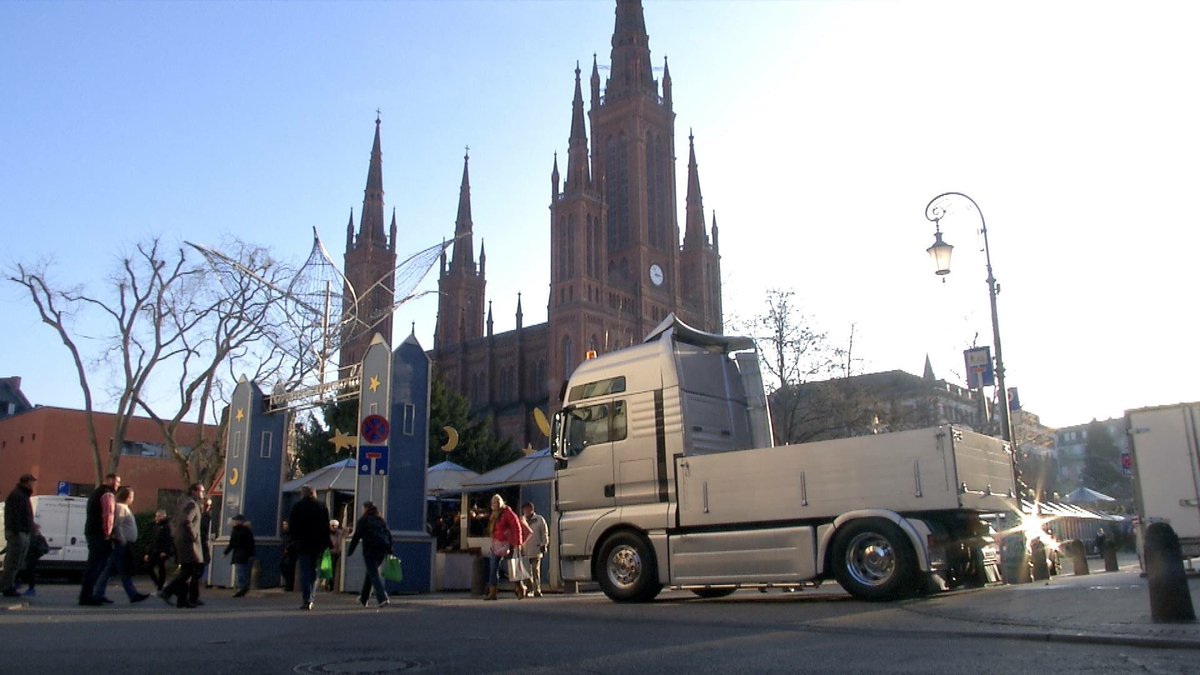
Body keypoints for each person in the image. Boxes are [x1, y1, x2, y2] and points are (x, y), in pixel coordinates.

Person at [94, 486, 150, 603]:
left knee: (112, 569)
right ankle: (132, 594)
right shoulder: (121, 507)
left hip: (123, 543)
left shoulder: (124, 508)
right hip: (121, 544)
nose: (133, 499)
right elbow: (117, 524)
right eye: (132, 496)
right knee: (122, 569)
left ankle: (99, 593)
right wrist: (122, 539)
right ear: (127, 497)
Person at [159, 483, 204, 609]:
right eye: (201, 491)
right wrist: (194, 535)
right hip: (189, 543)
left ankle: (182, 600)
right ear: (194, 491)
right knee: (189, 570)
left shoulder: (183, 502)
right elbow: (187, 521)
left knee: (186, 569)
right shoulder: (192, 504)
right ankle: (167, 591)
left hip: (182, 541)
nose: (202, 493)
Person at [79, 473, 120, 606]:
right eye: (117, 481)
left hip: (92, 531)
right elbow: (108, 515)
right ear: (109, 480)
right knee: (96, 566)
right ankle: (87, 596)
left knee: (95, 565)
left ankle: (89, 594)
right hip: (99, 534)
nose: (118, 484)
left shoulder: (96, 493)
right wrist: (108, 534)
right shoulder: (107, 494)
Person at [288, 485, 331, 610]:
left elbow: (292, 527)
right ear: (314, 493)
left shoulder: (297, 507)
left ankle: (307, 598)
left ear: (303, 494)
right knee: (314, 571)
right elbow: (326, 527)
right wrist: (326, 543)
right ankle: (311, 596)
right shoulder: (322, 506)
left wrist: (293, 541)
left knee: (305, 571)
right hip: (318, 545)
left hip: (303, 544)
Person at [346, 501, 392, 608]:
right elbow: (388, 534)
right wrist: (390, 549)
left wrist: (350, 551)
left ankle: (382, 598)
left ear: (365, 509)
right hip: (382, 550)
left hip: (370, 550)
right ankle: (364, 598)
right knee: (370, 573)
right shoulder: (380, 520)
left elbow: (356, 537)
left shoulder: (363, 520)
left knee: (374, 574)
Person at [484, 494, 524, 601]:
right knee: (493, 568)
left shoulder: (507, 512)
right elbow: (493, 531)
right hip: (497, 544)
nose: (495, 504)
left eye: (497, 502)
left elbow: (516, 527)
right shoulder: (493, 515)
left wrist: (518, 543)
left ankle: (519, 587)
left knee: (513, 567)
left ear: (501, 502)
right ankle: (492, 592)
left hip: (508, 544)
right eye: (493, 502)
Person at [2, 473, 36, 597]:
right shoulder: (18, 495)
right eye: (32, 482)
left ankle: (8, 584)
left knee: (16, 561)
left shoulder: (22, 495)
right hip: (18, 532)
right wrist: (16, 531)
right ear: (26, 482)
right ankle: (7, 586)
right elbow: (14, 515)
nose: (33, 484)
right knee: (13, 561)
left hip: (22, 531)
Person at [187, 496, 213, 606]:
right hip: (197, 546)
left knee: (197, 573)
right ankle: (190, 596)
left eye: (210, 506)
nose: (208, 508)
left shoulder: (207, 517)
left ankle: (193, 596)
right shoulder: (198, 517)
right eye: (206, 505)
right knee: (194, 573)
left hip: (202, 546)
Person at [222, 514, 256, 597]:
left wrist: (225, 553)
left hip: (241, 554)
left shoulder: (239, 531)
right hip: (243, 554)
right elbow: (250, 543)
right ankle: (243, 587)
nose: (234, 521)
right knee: (242, 571)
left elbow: (232, 544)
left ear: (240, 521)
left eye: (236, 520)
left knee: (241, 572)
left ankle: (242, 587)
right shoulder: (245, 530)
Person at [521, 501, 549, 597]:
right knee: (526, 571)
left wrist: (544, 544)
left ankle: (537, 589)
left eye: (528, 509)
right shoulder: (522, 520)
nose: (526, 511)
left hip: (536, 548)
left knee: (535, 570)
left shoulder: (539, 519)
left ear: (532, 509)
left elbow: (544, 533)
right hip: (525, 549)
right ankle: (529, 589)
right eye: (524, 510)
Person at [143, 510, 174, 591]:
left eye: (158, 516)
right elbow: (152, 540)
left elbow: (168, 540)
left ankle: (160, 588)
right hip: (154, 551)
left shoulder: (167, 527)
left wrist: (165, 551)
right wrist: (147, 553)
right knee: (148, 567)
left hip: (162, 551)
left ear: (163, 517)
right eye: (156, 516)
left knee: (161, 568)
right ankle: (158, 583)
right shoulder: (156, 526)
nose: (156, 518)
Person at [18, 523, 50, 597]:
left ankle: (30, 589)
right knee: (27, 571)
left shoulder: (34, 537)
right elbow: (46, 548)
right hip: (32, 556)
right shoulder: (38, 537)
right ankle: (28, 588)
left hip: (32, 557)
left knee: (29, 571)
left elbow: (45, 548)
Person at [326, 519, 344, 591]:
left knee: (333, 569)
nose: (334, 527)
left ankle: (331, 584)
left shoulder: (340, 533)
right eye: (333, 526)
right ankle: (329, 583)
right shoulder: (327, 533)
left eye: (336, 526)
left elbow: (341, 540)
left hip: (337, 553)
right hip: (329, 553)